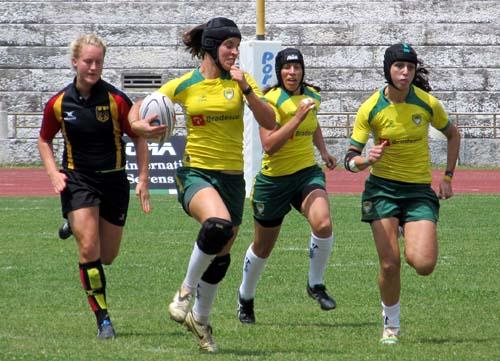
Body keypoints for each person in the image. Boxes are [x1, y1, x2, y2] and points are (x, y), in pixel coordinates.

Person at [128, 17, 276, 352]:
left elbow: (269, 121)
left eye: (237, 46)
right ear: (212, 46)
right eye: (229, 45)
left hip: (233, 179)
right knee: (217, 225)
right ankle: (184, 291)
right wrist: (142, 127)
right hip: (197, 174)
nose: (235, 52)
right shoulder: (185, 85)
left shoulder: (241, 82)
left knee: (221, 255)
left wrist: (247, 90)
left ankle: (201, 319)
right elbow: (137, 112)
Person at [343, 43, 461, 344]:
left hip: (418, 191)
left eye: (409, 67)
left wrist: (448, 176)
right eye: (399, 66)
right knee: (389, 263)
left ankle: (411, 230)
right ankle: (391, 325)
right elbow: (349, 160)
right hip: (381, 190)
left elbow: (452, 134)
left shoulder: (427, 103)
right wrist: (366, 160)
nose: (405, 72)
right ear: (388, 70)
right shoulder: (371, 108)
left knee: (423, 264)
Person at [38, 34, 151, 339]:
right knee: (89, 248)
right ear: (75, 62)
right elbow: (45, 139)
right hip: (78, 180)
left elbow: (139, 136)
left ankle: (73, 224)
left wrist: (143, 179)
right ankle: (103, 318)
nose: (93, 67)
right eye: (88, 61)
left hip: (114, 180)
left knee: (108, 255)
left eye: (98, 61)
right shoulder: (59, 103)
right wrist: (53, 173)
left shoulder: (116, 100)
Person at [236, 48, 338, 325]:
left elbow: (313, 125)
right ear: (279, 72)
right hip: (274, 181)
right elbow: (270, 145)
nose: (292, 73)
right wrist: (296, 118)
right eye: (287, 68)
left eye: (297, 67)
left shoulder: (313, 96)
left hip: (306, 174)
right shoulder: (269, 101)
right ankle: (245, 297)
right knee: (262, 247)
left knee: (324, 224)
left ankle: (315, 284)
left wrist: (324, 151)